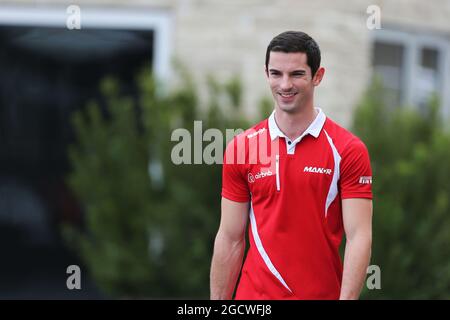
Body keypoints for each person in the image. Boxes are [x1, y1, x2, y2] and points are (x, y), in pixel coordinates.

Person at [210, 31, 373, 300]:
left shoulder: (347, 150)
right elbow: (229, 238)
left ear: (318, 76)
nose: (285, 84)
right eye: (276, 74)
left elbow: (359, 238)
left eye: (296, 74)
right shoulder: (242, 148)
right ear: (266, 74)